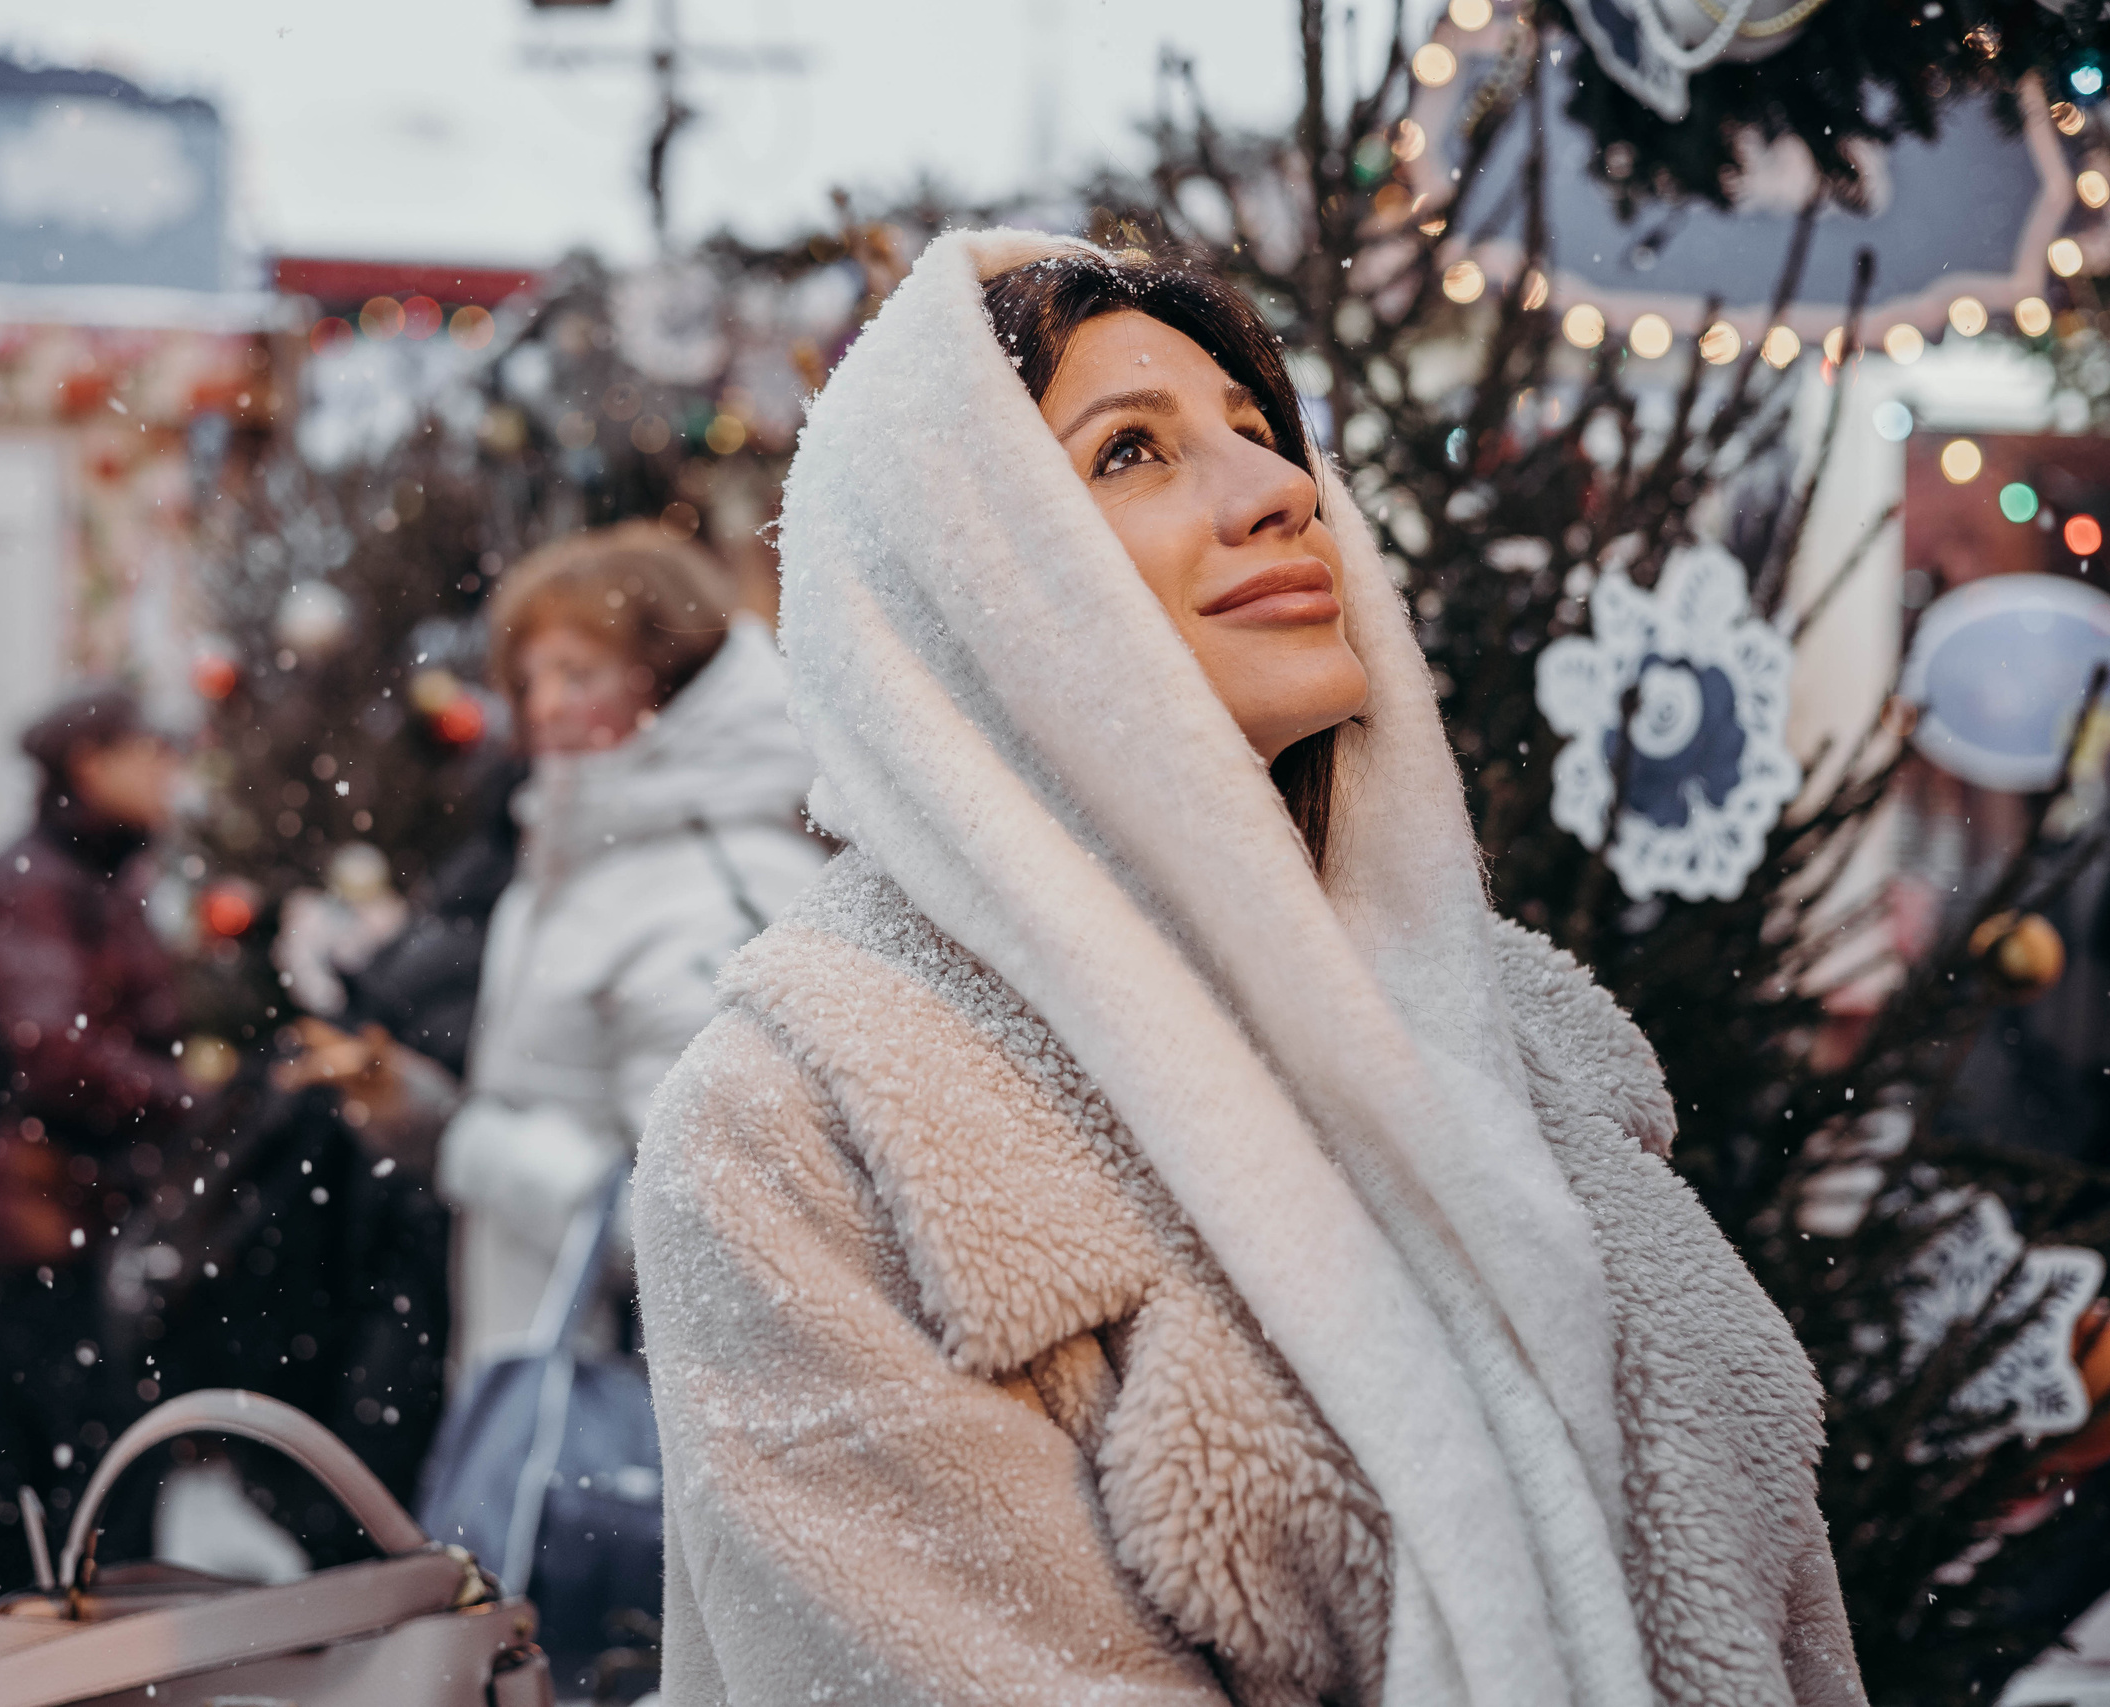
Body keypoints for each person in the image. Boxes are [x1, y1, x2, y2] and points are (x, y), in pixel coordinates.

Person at [634, 232, 1864, 1707]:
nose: (1283, 489)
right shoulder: (815, 1111)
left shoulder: (1517, 1040)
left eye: (1260, 432)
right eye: (1133, 451)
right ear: (959, 578)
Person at [437, 523, 825, 1369]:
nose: (542, 707)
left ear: (672, 678)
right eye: (529, 677)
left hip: (638, 1429)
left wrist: (471, 1145)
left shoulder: (716, 883)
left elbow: (708, 1225)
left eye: (578, 673)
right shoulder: (580, 862)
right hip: (550, 1395)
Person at [0, 686, 192, 1680]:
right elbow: (51, 1050)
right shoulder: (38, 881)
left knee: (24, 1475)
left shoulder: (88, 873)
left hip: (47, 1214)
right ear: (89, 763)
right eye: (154, 750)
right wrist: (182, 1089)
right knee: (104, 1465)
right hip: (22, 1218)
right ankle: (85, 1674)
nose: (172, 769)